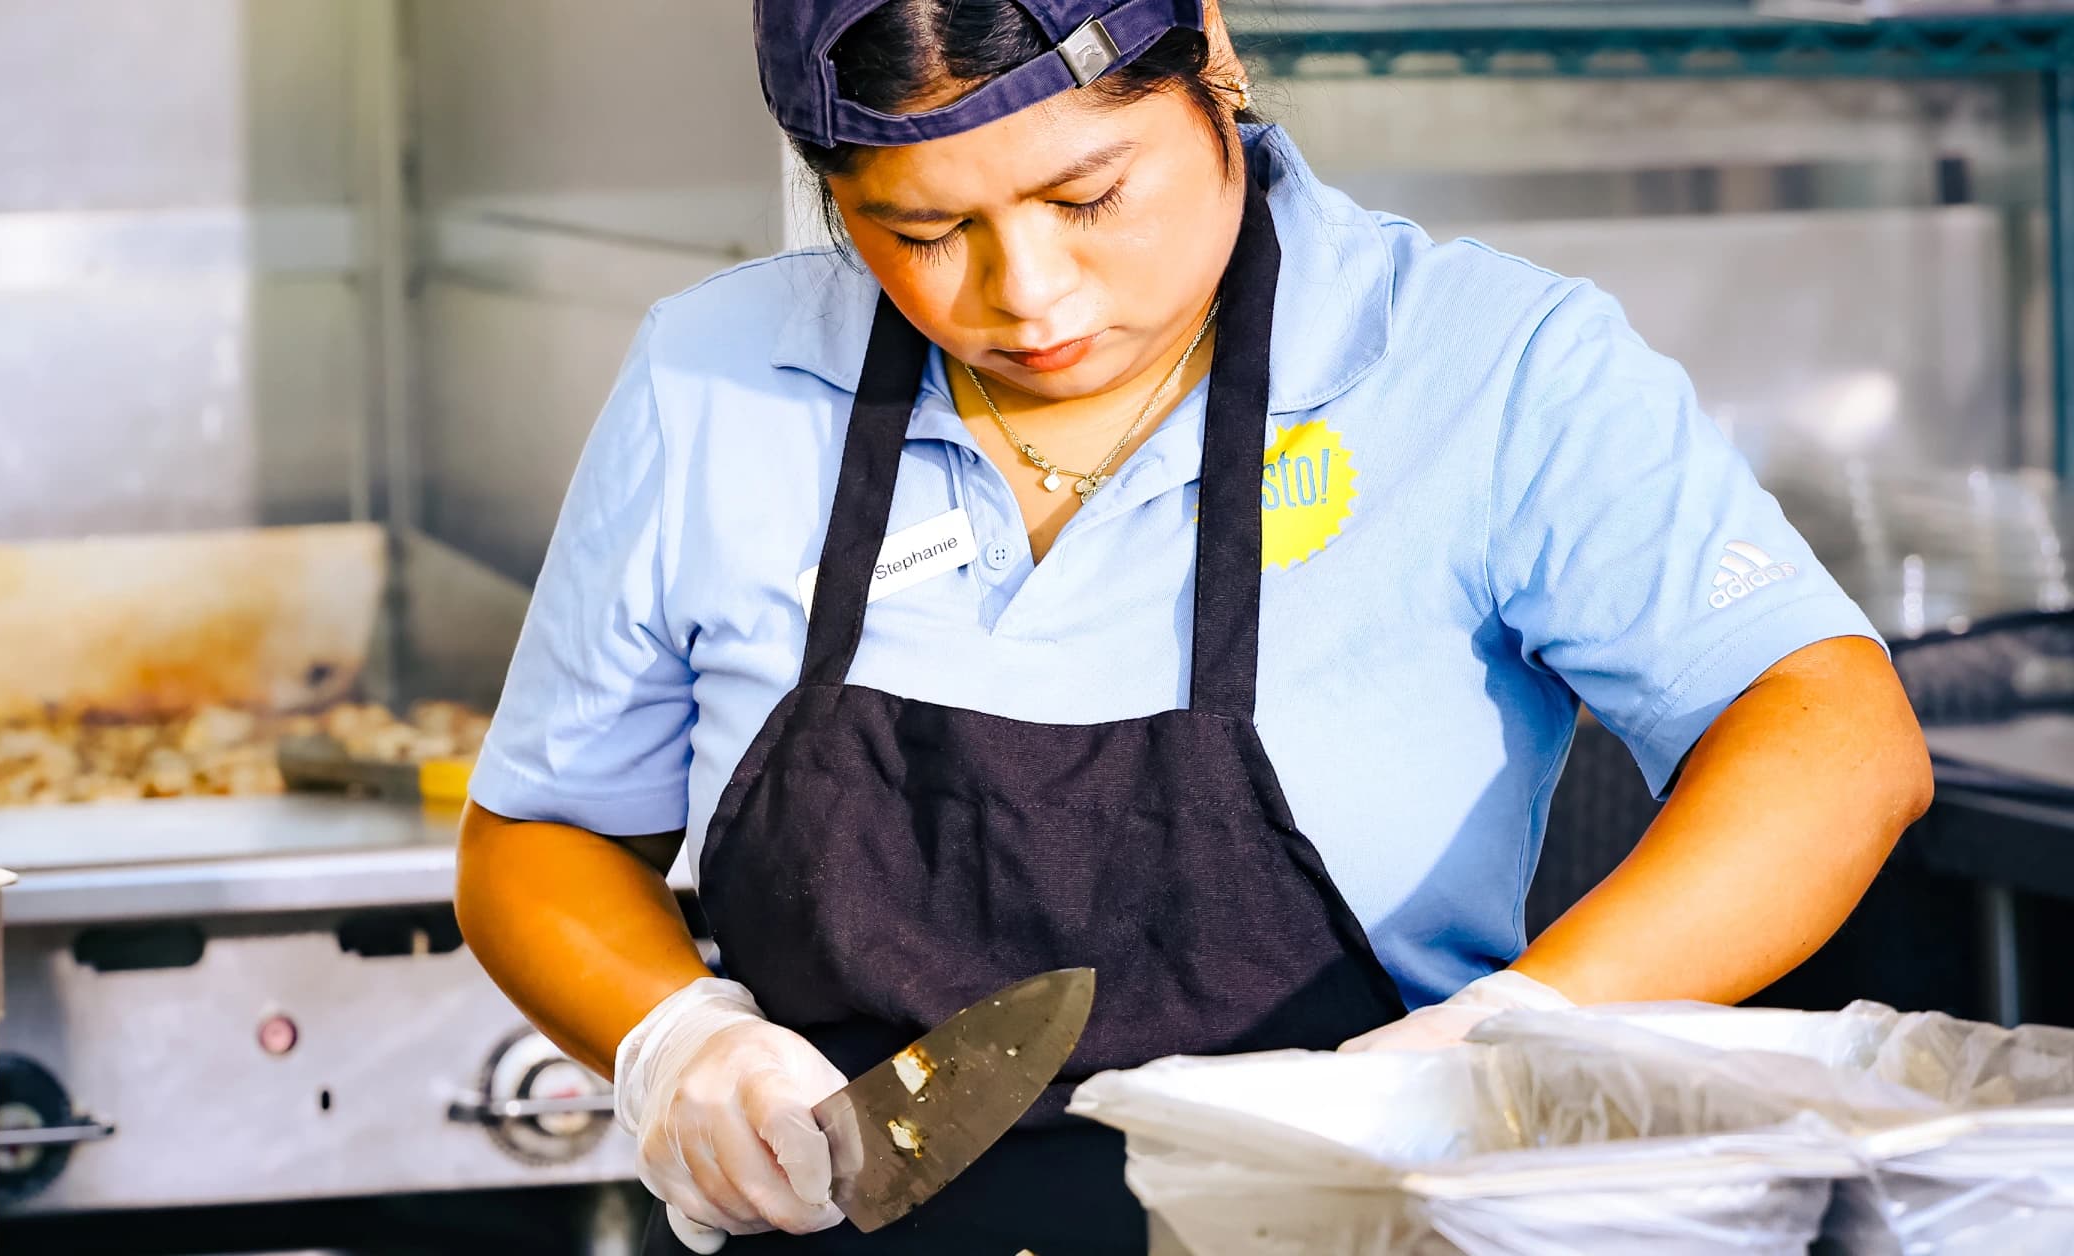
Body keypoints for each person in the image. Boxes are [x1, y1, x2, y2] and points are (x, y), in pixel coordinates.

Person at [455, 1, 1933, 1250]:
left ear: (1211, 60)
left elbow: (1833, 742)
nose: (1024, 295)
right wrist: (674, 1040)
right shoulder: (716, 379)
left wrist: (1508, 1035)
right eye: (918, 230)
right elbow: (544, 834)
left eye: (1088, 198)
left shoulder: (1490, 366)